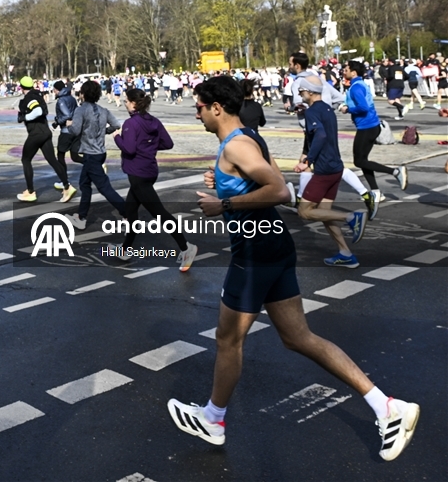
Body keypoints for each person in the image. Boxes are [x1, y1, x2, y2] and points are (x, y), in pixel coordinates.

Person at [168, 76, 419, 462]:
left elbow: (280, 192)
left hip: (255, 254)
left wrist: (225, 206)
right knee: (298, 337)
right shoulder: (249, 138)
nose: (196, 113)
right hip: (273, 247)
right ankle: (387, 408)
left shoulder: (236, 145)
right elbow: (272, 183)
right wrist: (225, 187)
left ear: (216, 107)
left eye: (199, 107)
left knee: (227, 340)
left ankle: (214, 418)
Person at [114, 88, 197, 271]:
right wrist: (149, 145)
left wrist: (117, 137)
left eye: (127, 101)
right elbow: (168, 143)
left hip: (138, 173)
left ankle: (186, 247)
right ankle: (125, 249)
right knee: (130, 211)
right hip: (150, 170)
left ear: (133, 103)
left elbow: (128, 149)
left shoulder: (130, 123)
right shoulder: (153, 121)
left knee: (159, 213)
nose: (125, 104)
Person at [294, 75, 368, 267]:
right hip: (336, 167)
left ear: (310, 92)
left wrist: (308, 160)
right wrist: (306, 154)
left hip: (324, 169)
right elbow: (317, 136)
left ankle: (352, 217)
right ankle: (345, 253)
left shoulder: (311, 113)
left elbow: (320, 135)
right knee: (325, 214)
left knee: (304, 211)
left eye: (301, 90)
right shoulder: (328, 109)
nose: (300, 93)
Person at [341, 61, 408, 216]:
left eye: (346, 70)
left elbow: (363, 107)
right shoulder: (359, 84)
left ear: (353, 72)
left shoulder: (356, 87)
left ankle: (395, 172)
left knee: (359, 161)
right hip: (370, 125)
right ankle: (376, 192)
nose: (344, 72)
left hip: (367, 127)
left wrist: (347, 109)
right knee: (363, 160)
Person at [65, 80, 125, 230]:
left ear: (83, 94)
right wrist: (103, 131)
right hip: (100, 152)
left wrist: (69, 126)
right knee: (84, 184)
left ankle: (127, 212)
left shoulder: (81, 110)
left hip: (90, 154)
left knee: (104, 187)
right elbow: (116, 125)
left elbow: (76, 130)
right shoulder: (103, 110)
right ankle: (81, 216)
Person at [17, 76, 75, 203]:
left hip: (36, 134)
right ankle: (67, 186)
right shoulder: (37, 95)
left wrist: (25, 117)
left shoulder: (29, 98)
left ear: (22, 87)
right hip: (45, 132)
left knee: (26, 160)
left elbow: (37, 111)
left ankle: (30, 192)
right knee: (53, 160)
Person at [52, 80, 83, 192]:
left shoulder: (61, 100)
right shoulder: (71, 98)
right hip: (75, 131)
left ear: (57, 90)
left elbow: (67, 115)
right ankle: (96, 164)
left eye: (54, 90)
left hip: (66, 132)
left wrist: (57, 122)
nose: (53, 92)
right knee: (75, 156)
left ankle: (64, 181)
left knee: (60, 156)